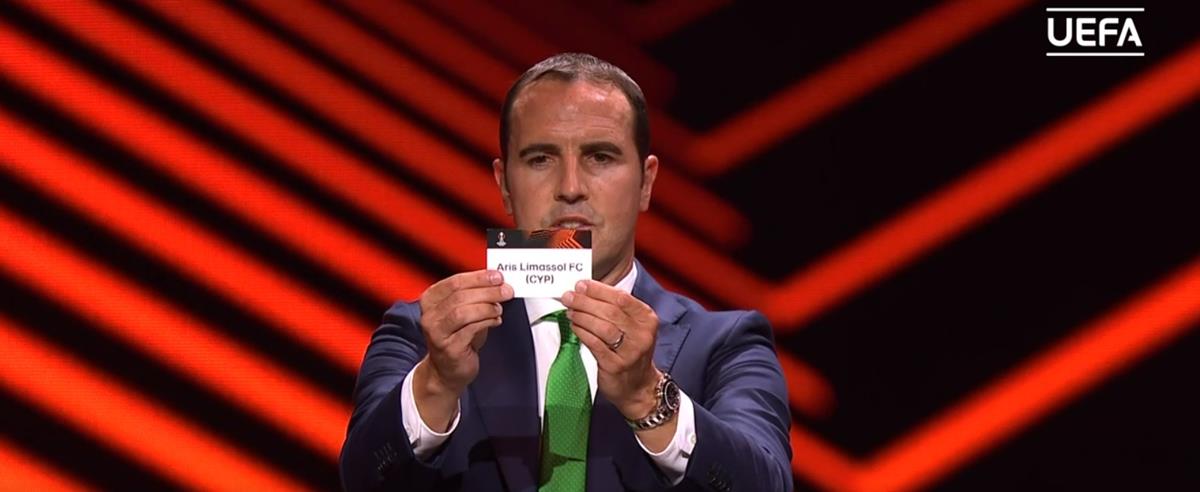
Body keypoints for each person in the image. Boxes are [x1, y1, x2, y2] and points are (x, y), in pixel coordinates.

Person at [340, 52, 792, 492]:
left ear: (646, 182)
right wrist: (437, 383)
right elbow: (359, 479)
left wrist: (648, 397)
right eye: (541, 158)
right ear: (504, 184)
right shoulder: (420, 335)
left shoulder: (727, 345)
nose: (571, 188)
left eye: (600, 157)